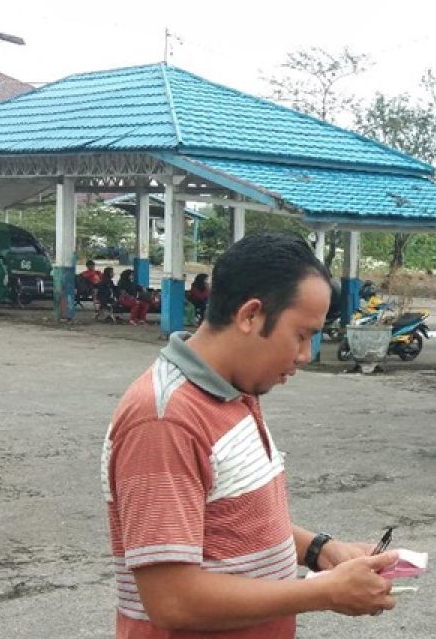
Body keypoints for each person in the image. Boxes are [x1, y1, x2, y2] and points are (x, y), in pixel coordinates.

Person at [102, 233, 397, 637]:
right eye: (301, 334)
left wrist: (320, 550)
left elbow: (229, 523)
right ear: (250, 316)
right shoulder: (164, 420)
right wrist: (324, 593)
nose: (305, 355)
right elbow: (172, 600)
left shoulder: (234, 391)